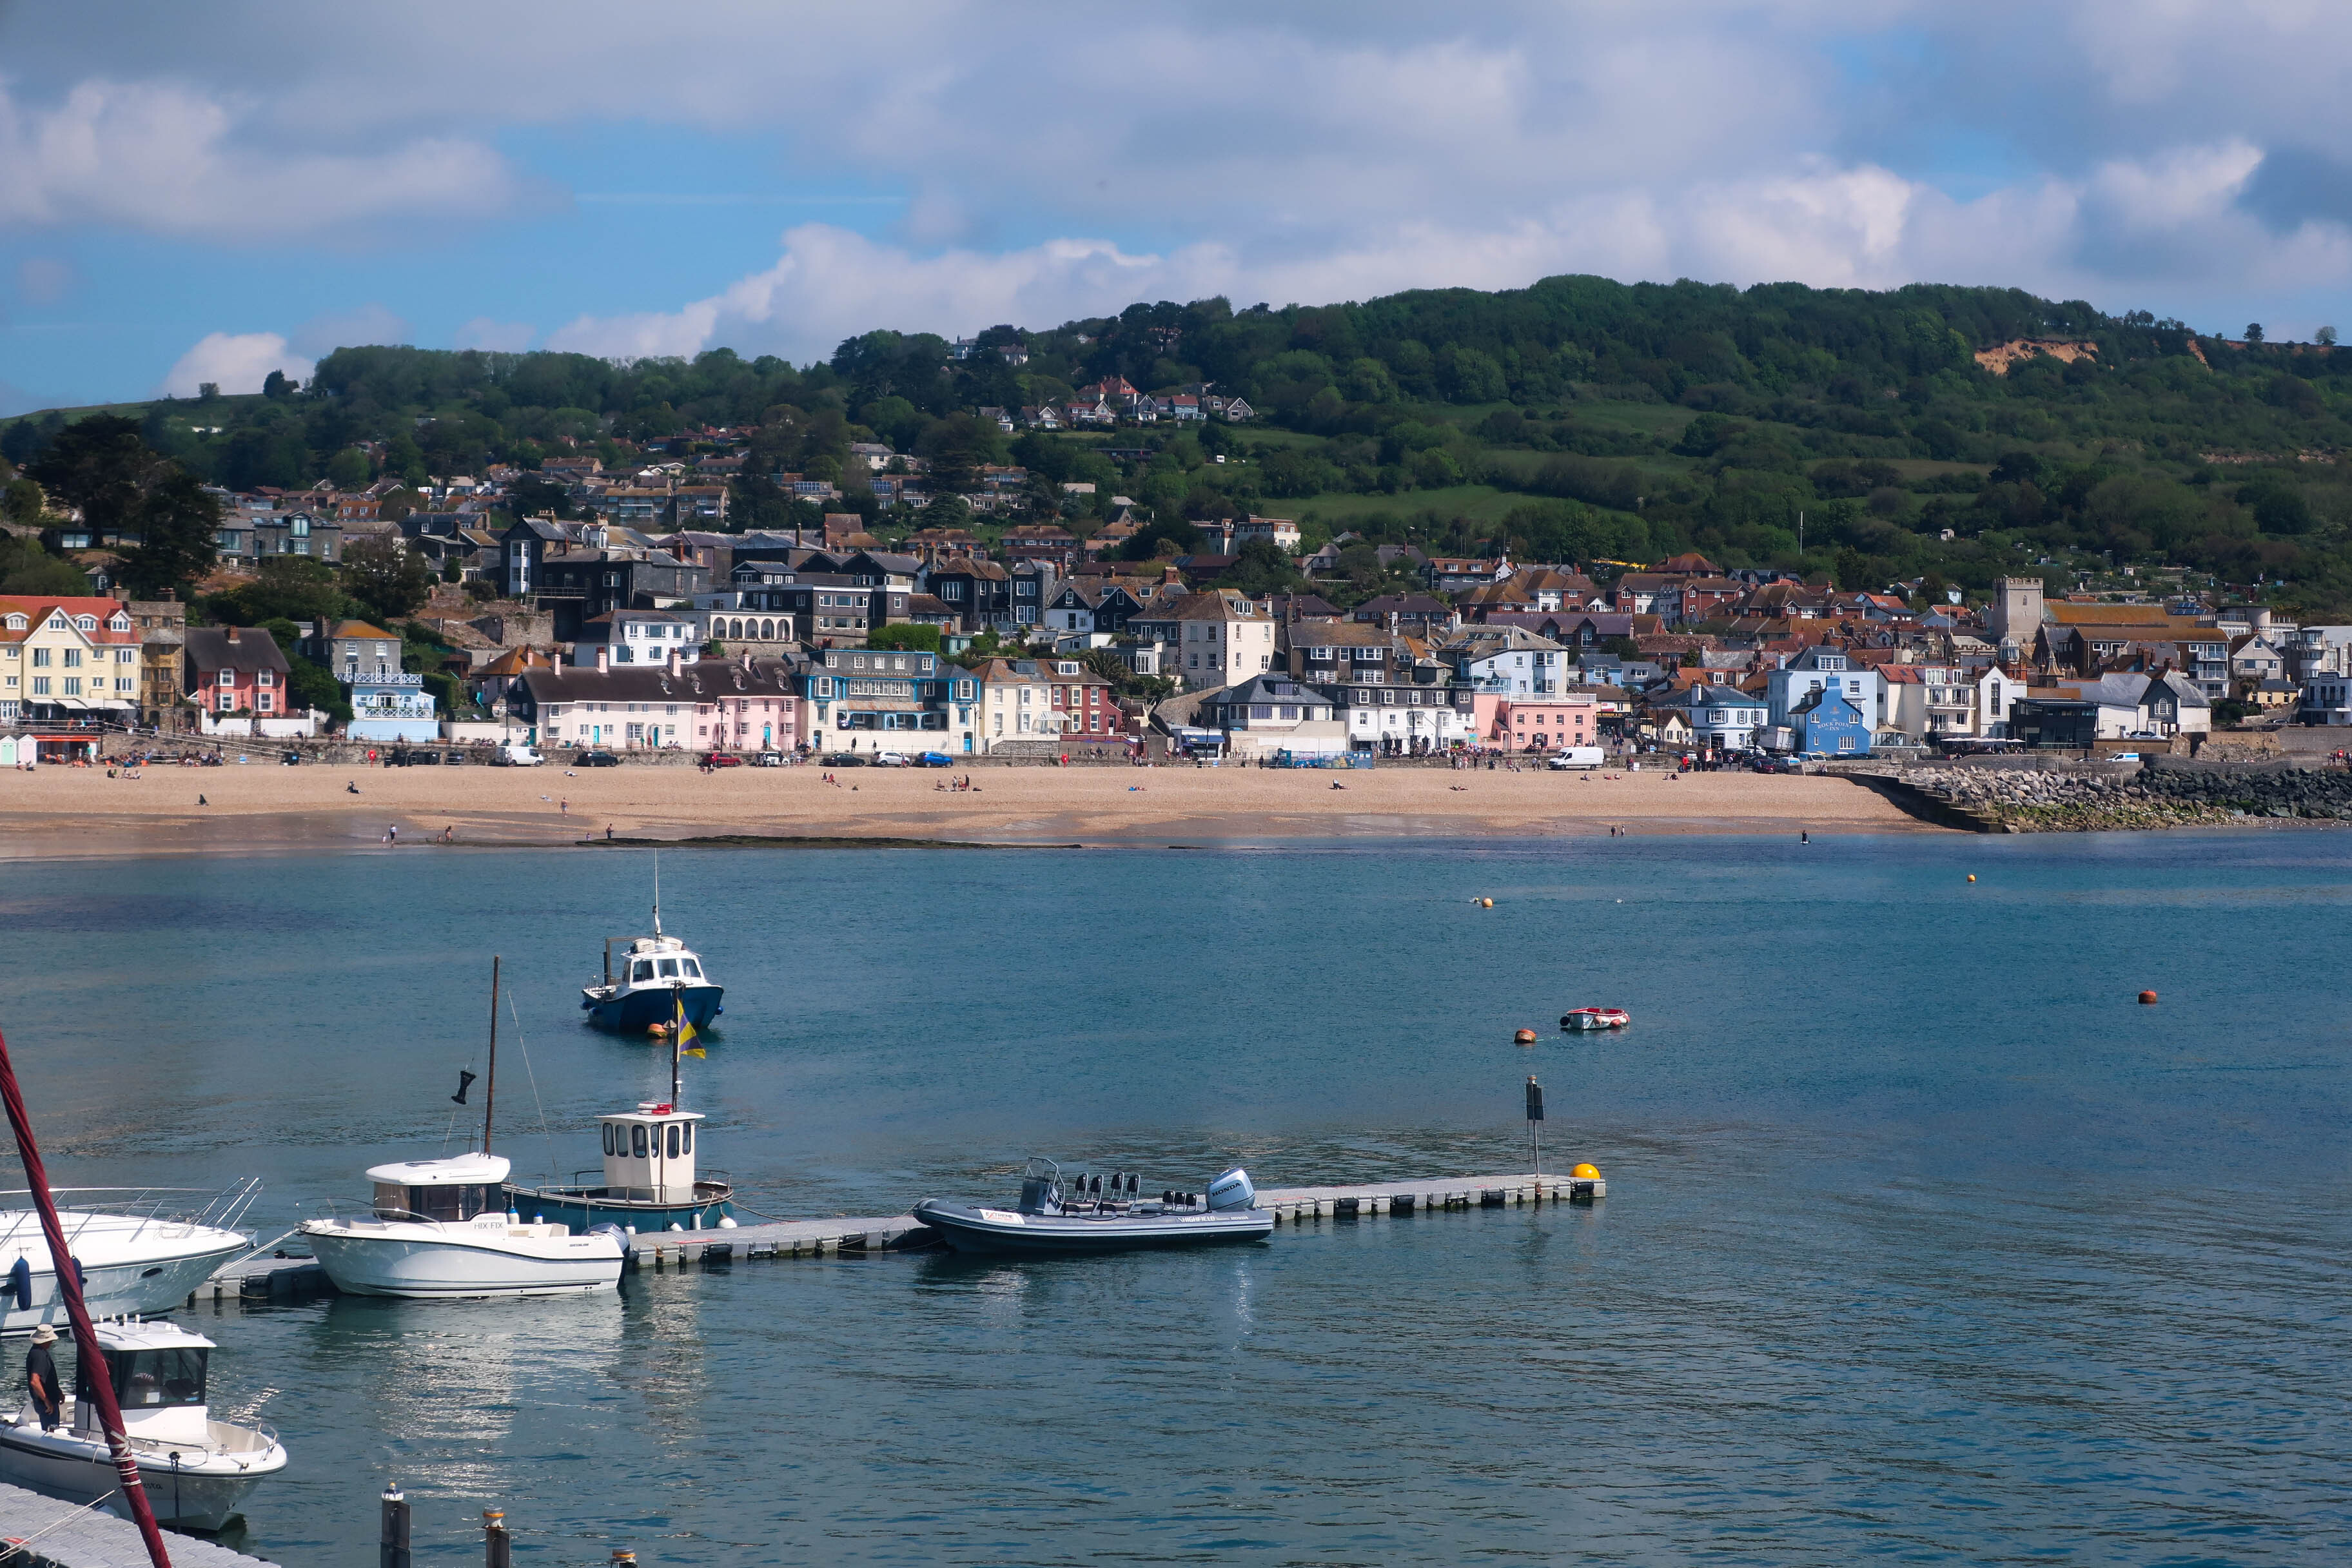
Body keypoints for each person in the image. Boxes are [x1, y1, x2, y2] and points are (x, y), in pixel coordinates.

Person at [24, 1324, 59, 1432]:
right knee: (50, 1431)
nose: (51, 1342)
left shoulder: (39, 1352)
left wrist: (58, 1391)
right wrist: (46, 1401)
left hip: (48, 1399)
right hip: (45, 1402)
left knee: (51, 1429)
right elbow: (35, 1381)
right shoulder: (39, 1355)